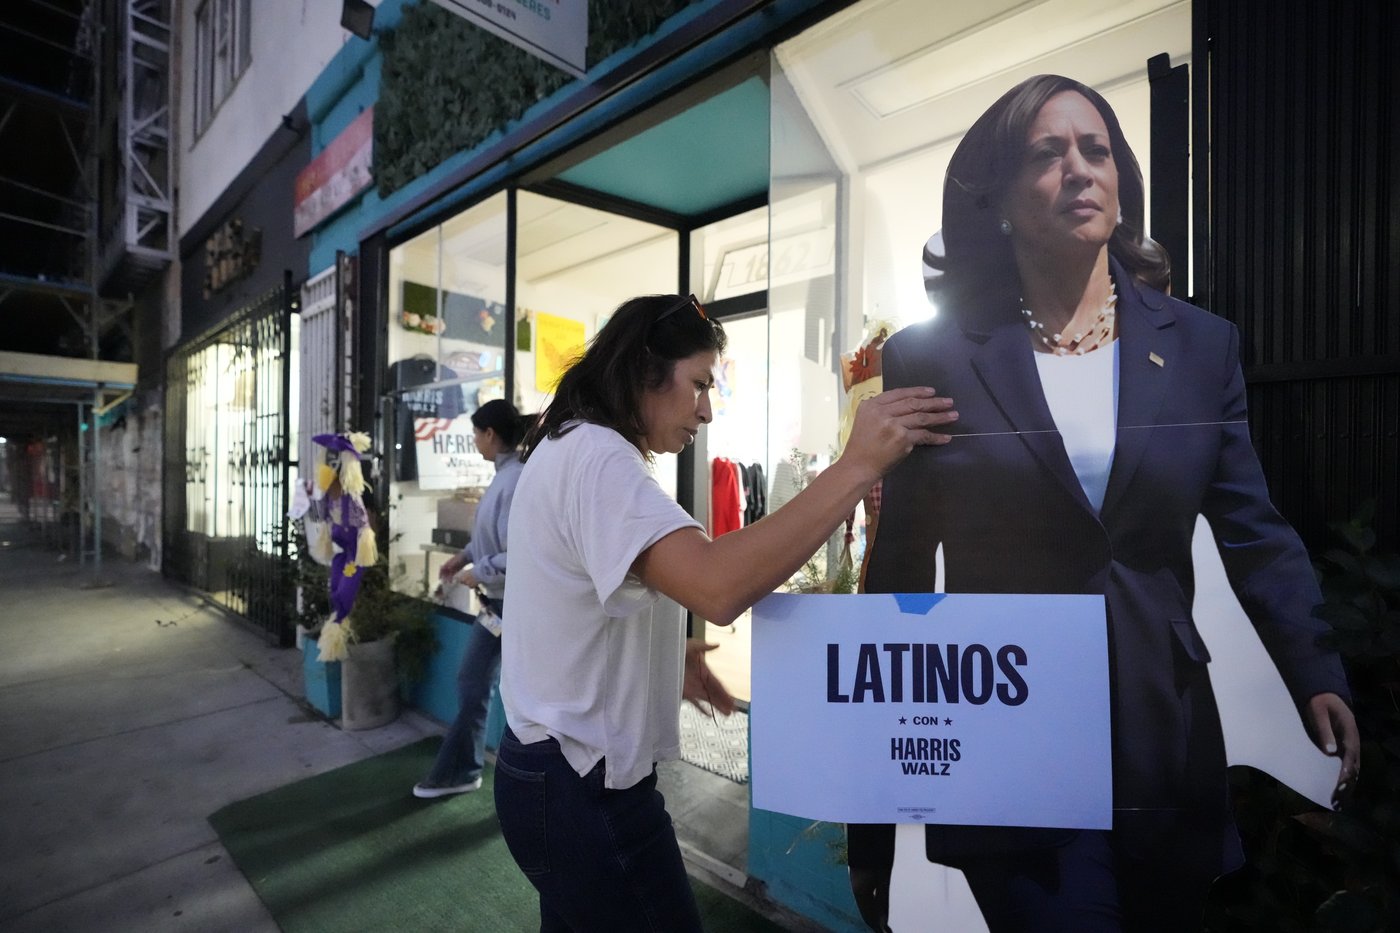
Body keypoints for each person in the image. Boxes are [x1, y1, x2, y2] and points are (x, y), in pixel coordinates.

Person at [846, 74, 1360, 933]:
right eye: (1048, 154)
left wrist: (1314, 669)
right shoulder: (932, 358)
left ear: (1122, 180)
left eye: (1098, 149)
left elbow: (1254, 531)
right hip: (1010, 738)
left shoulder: (1200, 345)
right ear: (1003, 197)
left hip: (1162, 734)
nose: (1081, 169)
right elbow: (899, 569)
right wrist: (873, 818)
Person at [493, 293, 959, 931]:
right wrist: (856, 466)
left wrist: (662, 654)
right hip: (580, 787)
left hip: (550, 775)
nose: (706, 409)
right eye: (699, 384)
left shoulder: (573, 445)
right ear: (642, 370)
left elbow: (586, 591)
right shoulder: (598, 458)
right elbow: (715, 585)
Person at [413, 399, 527, 798]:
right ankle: (464, 768)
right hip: (498, 607)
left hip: (511, 608)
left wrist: (475, 571)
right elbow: (493, 539)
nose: (475, 442)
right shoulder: (505, 477)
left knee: (483, 685)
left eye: (477, 434)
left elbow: (522, 553)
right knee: (475, 683)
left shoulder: (513, 481)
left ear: (490, 434)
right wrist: (464, 557)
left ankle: (464, 770)